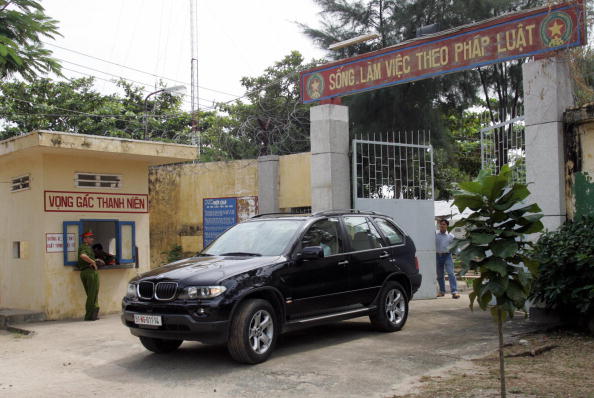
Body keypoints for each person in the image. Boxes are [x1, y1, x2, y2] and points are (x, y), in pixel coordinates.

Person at [78, 231, 100, 321]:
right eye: (90, 237)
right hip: (89, 272)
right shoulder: (84, 247)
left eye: (92, 237)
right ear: (85, 239)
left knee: (93, 294)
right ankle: (89, 315)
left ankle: (94, 313)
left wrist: (96, 260)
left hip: (87, 271)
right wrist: (93, 262)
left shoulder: (88, 247)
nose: (92, 239)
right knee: (92, 294)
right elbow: (82, 255)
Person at [435, 219, 460, 299]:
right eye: (441, 224)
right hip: (437, 256)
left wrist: (460, 253)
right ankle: (442, 291)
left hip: (447, 256)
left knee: (451, 273)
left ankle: (454, 292)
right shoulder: (435, 234)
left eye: (444, 224)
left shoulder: (450, 236)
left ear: (447, 226)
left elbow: (455, 246)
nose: (442, 226)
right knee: (439, 275)